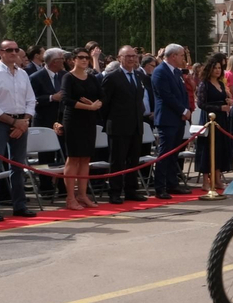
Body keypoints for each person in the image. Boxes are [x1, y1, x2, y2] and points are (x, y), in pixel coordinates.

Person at [0, 41, 39, 220]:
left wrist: (24, 121)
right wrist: (14, 122)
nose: (14, 53)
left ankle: (19, 205)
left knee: (18, 165)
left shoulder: (22, 74)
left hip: (21, 121)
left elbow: (31, 100)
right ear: (0, 52)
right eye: (9, 50)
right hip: (0, 122)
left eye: (16, 49)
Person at [99, 46, 153, 205]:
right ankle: (115, 192)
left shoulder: (138, 75)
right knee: (117, 161)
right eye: (128, 56)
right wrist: (111, 121)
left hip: (136, 125)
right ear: (119, 58)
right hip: (118, 126)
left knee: (133, 160)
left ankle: (131, 190)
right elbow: (105, 103)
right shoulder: (112, 77)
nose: (132, 59)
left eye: (134, 56)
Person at [60, 49, 104, 210]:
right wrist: (88, 107)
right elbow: (66, 99)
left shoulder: (92, 77)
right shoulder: (68, 77)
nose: (85, 60)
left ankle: (83, 195)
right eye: (81, 57)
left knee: (86, 158)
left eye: (87, 58)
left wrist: (95, 105)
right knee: (73, 158)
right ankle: (70, 197)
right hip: (74, 120)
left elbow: (101, 95)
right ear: (73, 59)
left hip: (89, 120)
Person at [152, 44, 192, 199]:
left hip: (178, 118)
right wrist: (183, 110)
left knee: (174, 153)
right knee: (165, 153)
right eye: (181, 55)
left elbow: (183, 94)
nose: (183, 58)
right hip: (167, 119)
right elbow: (166, 95)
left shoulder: (176, 72)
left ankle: (172, 183)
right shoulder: (160, 72)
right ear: (173, 56)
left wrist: (186, 110)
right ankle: (160, 186)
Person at [30, 48, 67, 201]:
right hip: (45, 121)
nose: (63, 62)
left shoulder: (65, 76)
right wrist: (52, 97)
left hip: (62, 121)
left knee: (64, 154)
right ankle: (45, 187)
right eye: (61, 59)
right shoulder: (36, 77)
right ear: (53, 62)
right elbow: (33, 100)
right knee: (45, 157)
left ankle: (63, 187)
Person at [196, 52, 233, 191]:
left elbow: (224, 98)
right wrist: (219, 107)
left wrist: (228, 102)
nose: (217, 70)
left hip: (222, 120)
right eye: (215, 68)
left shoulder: (221, 84)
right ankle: (205, 181)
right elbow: (201, 104)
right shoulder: (204, 85)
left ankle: (217, 178)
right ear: (209, 69)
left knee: (219, 149)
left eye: (219, 68)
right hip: (209, 118)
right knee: (208, 149)